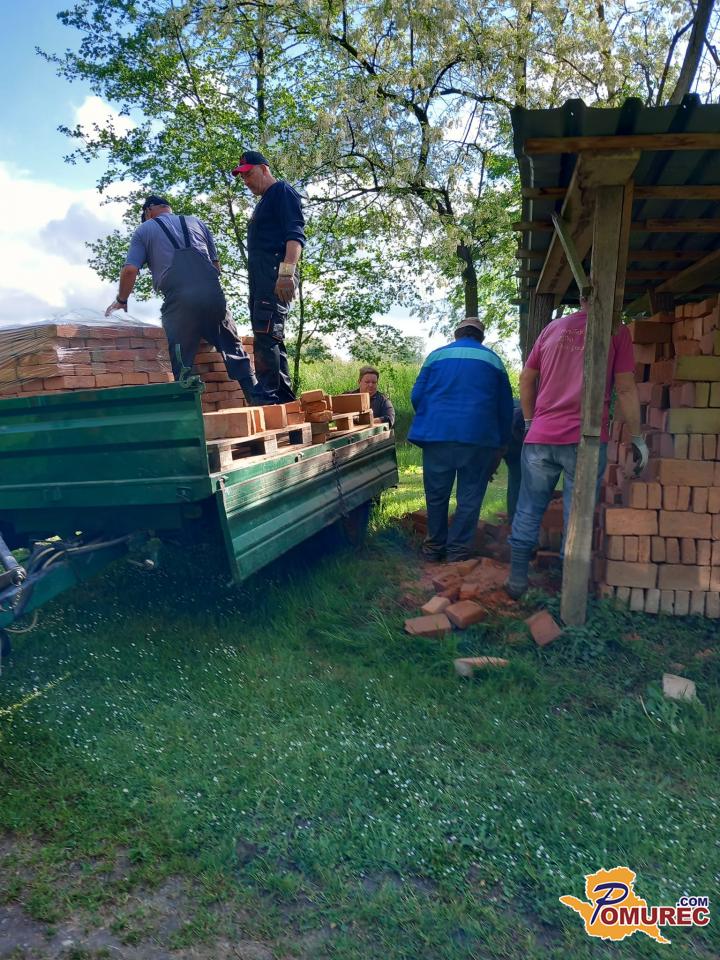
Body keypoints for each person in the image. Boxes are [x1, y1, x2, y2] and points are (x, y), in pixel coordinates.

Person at [505, 302, 648, 599]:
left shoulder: (551, 329)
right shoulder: (615, 331)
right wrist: (637, 437)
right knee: (577, 517)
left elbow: (526, 377)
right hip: (585, 440)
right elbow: (624, 387)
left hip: (541, 437)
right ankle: (567, 588)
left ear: (582, 298)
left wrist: (530, 422)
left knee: (528, 508)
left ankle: (517, 581)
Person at [105, 195, 259, 403]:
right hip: (212, 295)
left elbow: (130, 269)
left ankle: (188, 411)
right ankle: (259, 401)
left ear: (148, 211)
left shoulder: (145, 230)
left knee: (181, 360)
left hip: (179, 302)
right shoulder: (197, 223)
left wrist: (122, 299)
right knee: (234, 349)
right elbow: (216, 267)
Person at [408, 317, 513, 562]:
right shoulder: (493, 360)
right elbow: (505, 407)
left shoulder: (435, 356)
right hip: (478, 438)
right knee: (470, 497)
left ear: (457, 334)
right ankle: (457, 552)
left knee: (436, 495)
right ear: (481, 337)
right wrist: (501, 442)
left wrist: (432, 417)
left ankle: (433, 548)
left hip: (436, 436)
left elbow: (416, 395)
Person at [231, 150, 306, 404]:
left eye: (249, 174)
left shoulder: (281, 192)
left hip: (275, 278)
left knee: (266, 334)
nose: (246, 181)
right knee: (270, 336)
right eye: (242, 177)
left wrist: (286, 273)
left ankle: (268, 396)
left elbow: (295, 235)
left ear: (264, 169)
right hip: (262, 281)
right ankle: (284, 399)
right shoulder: (264, 201)